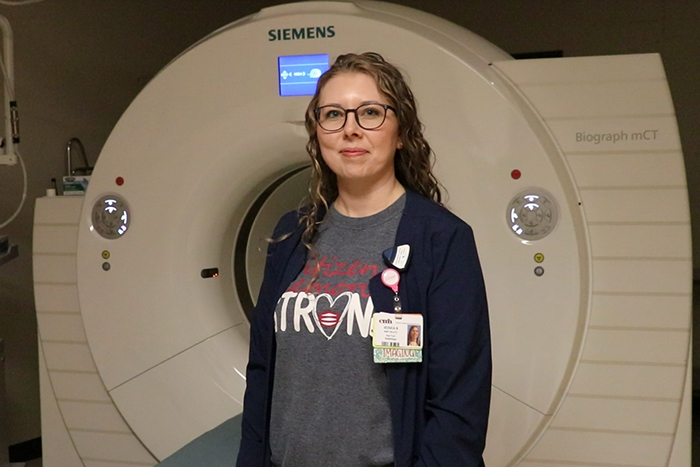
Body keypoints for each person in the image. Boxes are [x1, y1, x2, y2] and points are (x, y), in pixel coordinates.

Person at [237, 52, 491, 467]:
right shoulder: (291, 234)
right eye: (333, 115)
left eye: (370, 112)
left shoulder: (440, 239)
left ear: (402, 132)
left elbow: (458, 404)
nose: (350, 130)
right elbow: (263, 370)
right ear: (318, 133)